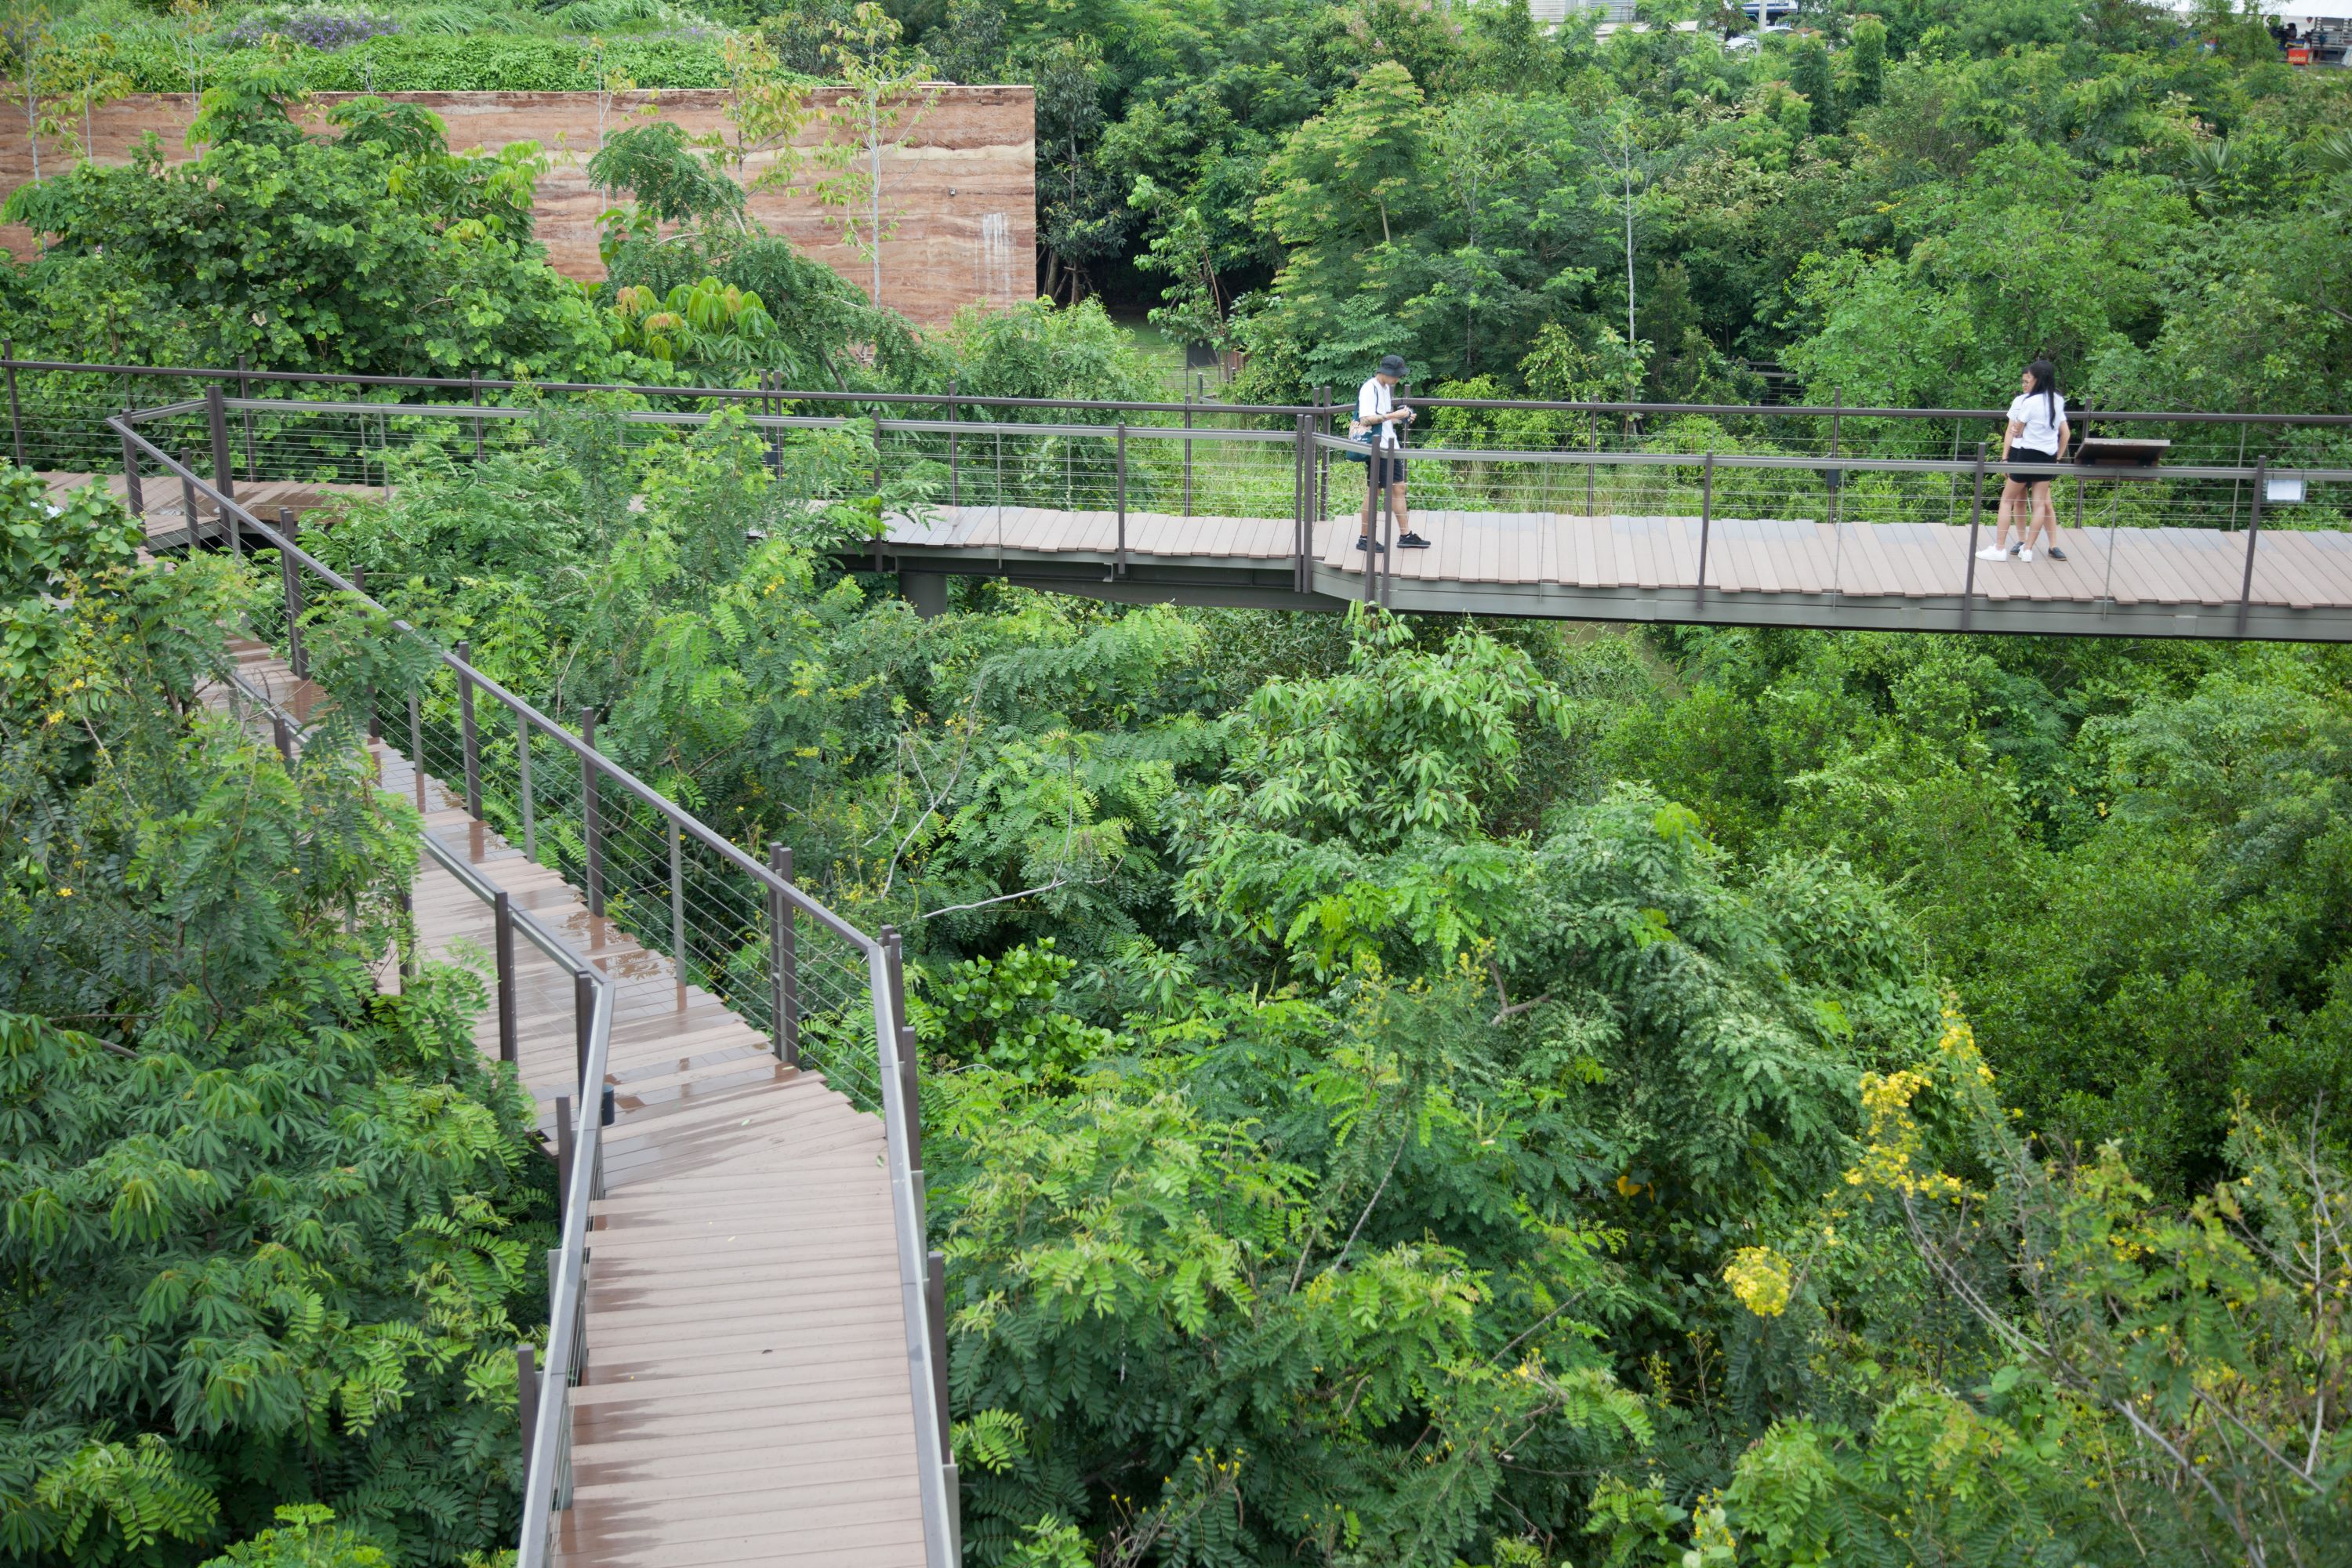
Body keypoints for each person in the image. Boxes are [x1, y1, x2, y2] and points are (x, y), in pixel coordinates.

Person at [1977, 358, 2071, 564]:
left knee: (2007, 500)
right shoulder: (2057, 400)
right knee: (2040, 504)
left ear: (2036, 379)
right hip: (2048, 457)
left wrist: (2018, 430)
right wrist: (2057, 458)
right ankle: (2027, 550)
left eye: (2029, 379)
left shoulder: (2029, 402)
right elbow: (2063, 431)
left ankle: (1999, 548)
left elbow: (2017, 429)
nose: (2026, 383)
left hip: (2027, 454)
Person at [1356, 354, 1428, 551]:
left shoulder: (1386, 388)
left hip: (1390, 445)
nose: (1398, 379)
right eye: (1396, 375)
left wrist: (1403, 418)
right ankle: (1365, 538)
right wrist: (1393, 414)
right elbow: (1365, 419)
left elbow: (1384, 419)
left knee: (1398, 488)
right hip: (1377, 448)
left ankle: (1405, 536)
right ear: (1385, 372)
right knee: (1374, 492)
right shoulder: (1369, 388)